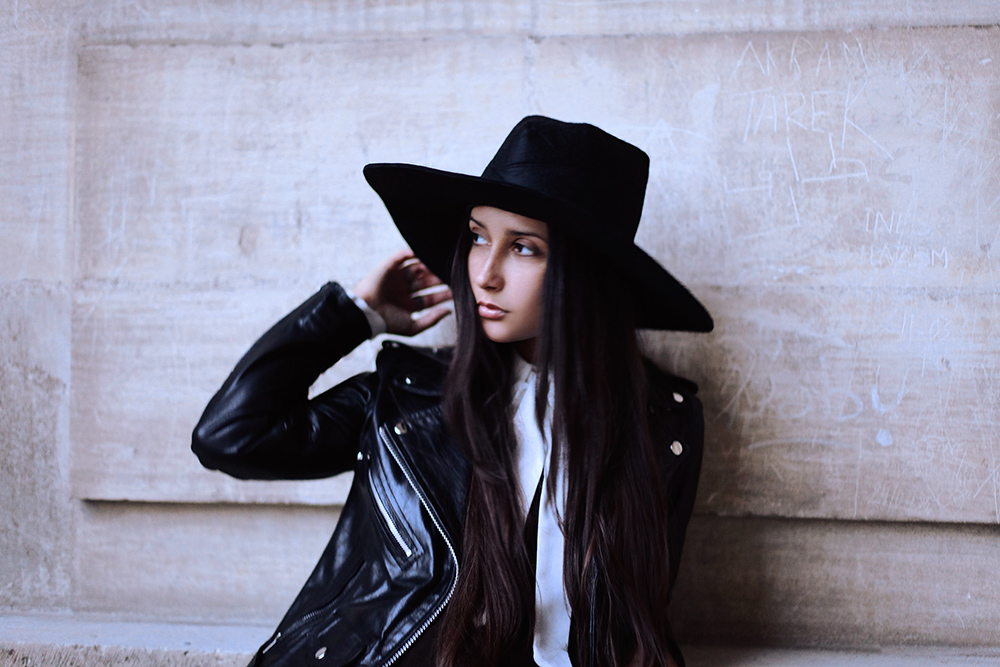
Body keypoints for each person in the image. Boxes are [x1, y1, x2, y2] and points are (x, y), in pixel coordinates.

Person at [192, 116, 713, 667]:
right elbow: (230, 436)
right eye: (478, 237)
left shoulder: (665, 422)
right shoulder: (408, 399)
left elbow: (638, 620)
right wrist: (355, 315)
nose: (484, 273)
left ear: (586, 272)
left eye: (524, 248)